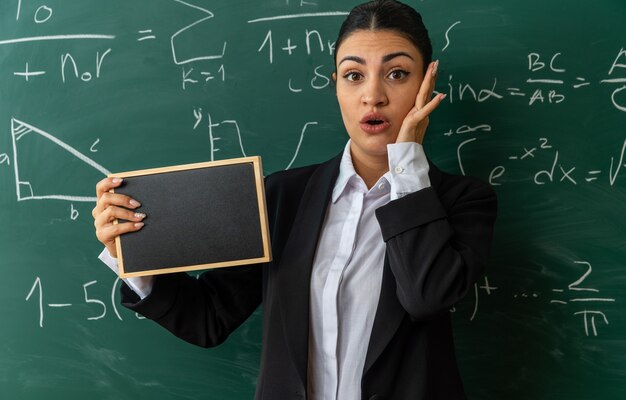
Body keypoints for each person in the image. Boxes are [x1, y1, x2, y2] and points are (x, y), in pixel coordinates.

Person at [92, 0, 497, 398]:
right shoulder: (281, 197)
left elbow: (426, 296)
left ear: (426, 84)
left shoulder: (462, 201)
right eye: (353, 75)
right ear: (335, 84)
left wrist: (406, 165)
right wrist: (131, 250)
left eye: (396, 73)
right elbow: (209, 318)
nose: (373, 96)